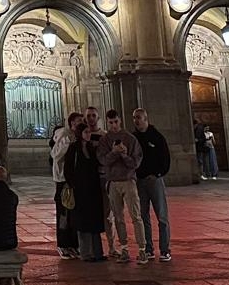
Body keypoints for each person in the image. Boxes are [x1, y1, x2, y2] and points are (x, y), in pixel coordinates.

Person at [97, 109, 148, 263]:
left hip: (128, 181)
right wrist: (113, 152)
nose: (113, 125)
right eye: (111, 123)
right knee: (118, 217)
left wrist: (124, 155)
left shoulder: (130, 139)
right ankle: (124, 248)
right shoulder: (104, 140)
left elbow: (135, 163)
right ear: (107, 122)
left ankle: (142, 249)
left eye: (116, 122)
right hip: (113, 182)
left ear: (120, 121)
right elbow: (103, 160)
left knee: (136, 216)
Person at [131, 109, 173, 261]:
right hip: (140, 181)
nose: (136, 121)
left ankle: (165, 249)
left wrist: (158, 174)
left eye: (139, 118)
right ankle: (148, 249)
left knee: (161, 215)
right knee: (142, 216)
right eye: (134, 118)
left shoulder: (157, 137)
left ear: (146, 118)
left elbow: (165, 158)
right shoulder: (133, 138)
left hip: (155, 181)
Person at [66, 121, 106, 262]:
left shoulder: (91, 148)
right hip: (80, 191)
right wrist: (74, 185)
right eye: (86, 132)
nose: (89, 135)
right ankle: (86, 253)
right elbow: (68, 170)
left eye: (89, 132)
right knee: (83, 223)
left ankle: (98, 252)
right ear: (79, 134)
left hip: (93, 190)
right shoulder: (73, 149)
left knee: (94, 221)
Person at [51, 112, 84, 259]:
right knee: (64, 213)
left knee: (73, 213)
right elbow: (55, 154)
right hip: (63, 180)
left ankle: (73, 244)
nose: (80, 123)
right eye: (78, 121)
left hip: (75, 179)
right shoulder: (65, 135)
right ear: (71, 123)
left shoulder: (79, 136)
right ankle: (63, 245)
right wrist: (67, 142)